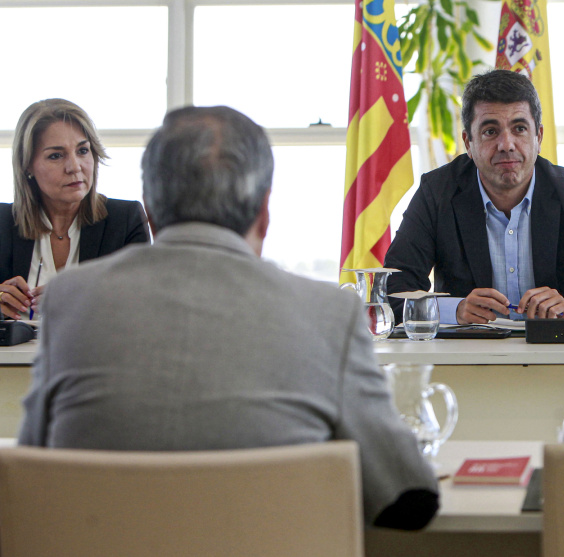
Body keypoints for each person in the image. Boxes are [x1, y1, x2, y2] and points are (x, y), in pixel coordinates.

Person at [17, 106, 439, 530]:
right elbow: (407, 495)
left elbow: (32, 473)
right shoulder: (330, 315)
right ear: (265, 212)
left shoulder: (69, 302)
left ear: (151, 213)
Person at [384, 69, 564, 325]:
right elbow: (393, 290)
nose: (507, 144)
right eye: (490, 131)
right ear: (468, 143)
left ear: (538, 137)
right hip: (468, 350)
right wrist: (456, 309)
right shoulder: (437, 193)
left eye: (519, 128)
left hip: (557, 350)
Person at [0, 99, 150, 319]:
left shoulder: (126, 219)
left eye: (82, 151)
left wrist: (84, 300)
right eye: (56, 155)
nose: (74, 167)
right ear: (27, 165)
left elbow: (144, 307)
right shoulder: (2, 223)